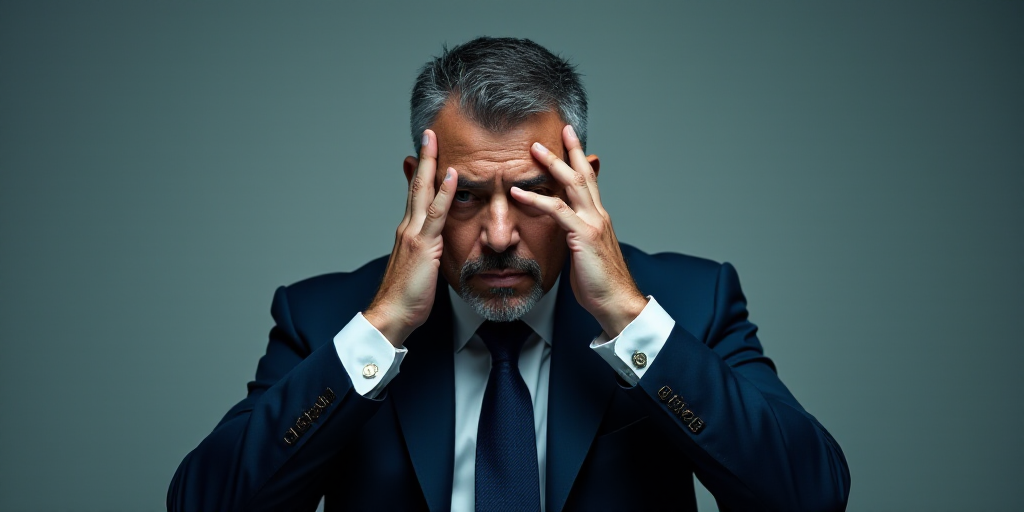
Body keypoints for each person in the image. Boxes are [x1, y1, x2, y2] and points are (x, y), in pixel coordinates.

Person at [167, 37, 850, 512]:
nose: (498, 236)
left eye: (531, 195)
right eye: (464, 195)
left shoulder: (692, 303)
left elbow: (808, 495)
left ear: (583, 185)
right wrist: (379, 334)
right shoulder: (325, 320)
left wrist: (630, 320)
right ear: (419, 184)